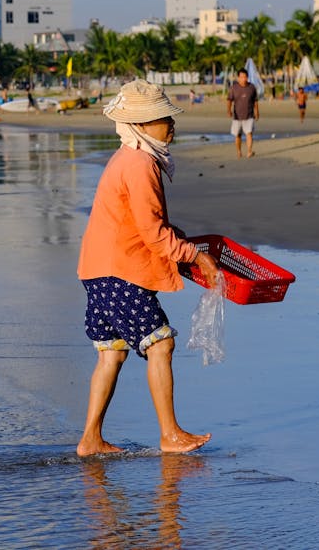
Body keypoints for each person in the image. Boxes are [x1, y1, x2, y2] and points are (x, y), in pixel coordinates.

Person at [76, 79, 220, 457]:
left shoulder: (127, 156)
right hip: (120, 271)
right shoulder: (141, 163)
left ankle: (91, 440)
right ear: (140, 125)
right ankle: (170, 434)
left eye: (170, 117)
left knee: (112, 352)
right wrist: (194, 254)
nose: (171, 125)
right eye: (162, 118)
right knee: (161, 343)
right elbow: (154, 235)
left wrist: (177, 237)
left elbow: (141, 222)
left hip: (97, 269)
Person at [226, 68, 260, 158]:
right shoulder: (234, 88)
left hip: (249, 115)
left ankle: (249, 151)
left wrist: (257, 112)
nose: (243, 79)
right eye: (241, 77)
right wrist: (228, 110)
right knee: (238, 135)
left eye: (245, 77)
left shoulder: (251, 87)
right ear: (238, 78)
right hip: (237, 116)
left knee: (249, 133)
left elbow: (255, 101)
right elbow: (229, 100)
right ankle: (239, 151)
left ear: (247, 77)